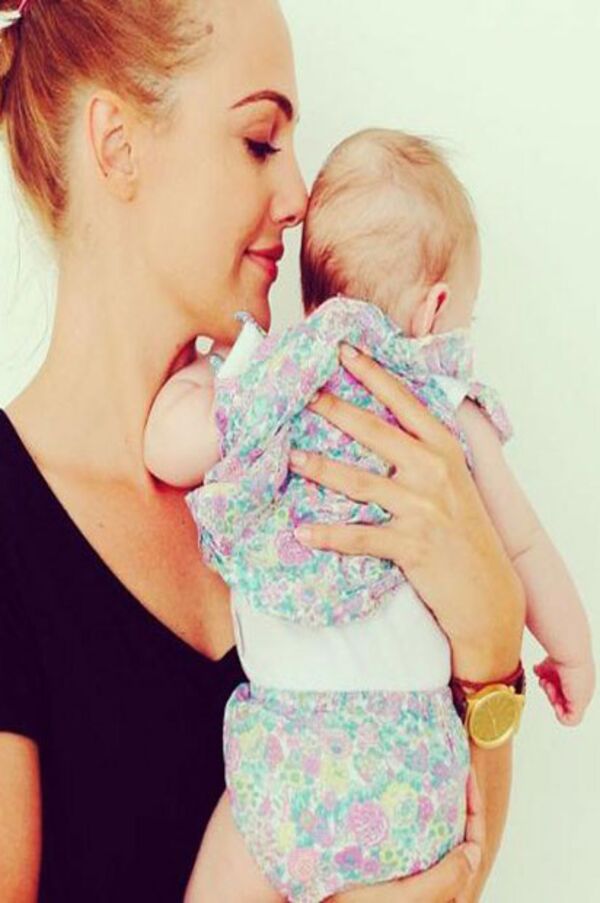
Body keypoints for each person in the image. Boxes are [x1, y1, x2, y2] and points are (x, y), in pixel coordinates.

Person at [0, 1, 525, 900]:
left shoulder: (343, 442)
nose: (300, 195)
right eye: (259, 141)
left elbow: (449, 870)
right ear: (117, 147)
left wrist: (491, 647)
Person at [146, 128, 593, 901]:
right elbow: (522, 545)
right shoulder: (448, 408)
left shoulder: (274, 380)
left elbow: (165, 448)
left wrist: (202, 377)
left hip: (283, 762)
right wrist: (572, 650)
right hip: (410, 774)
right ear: (435, 308)